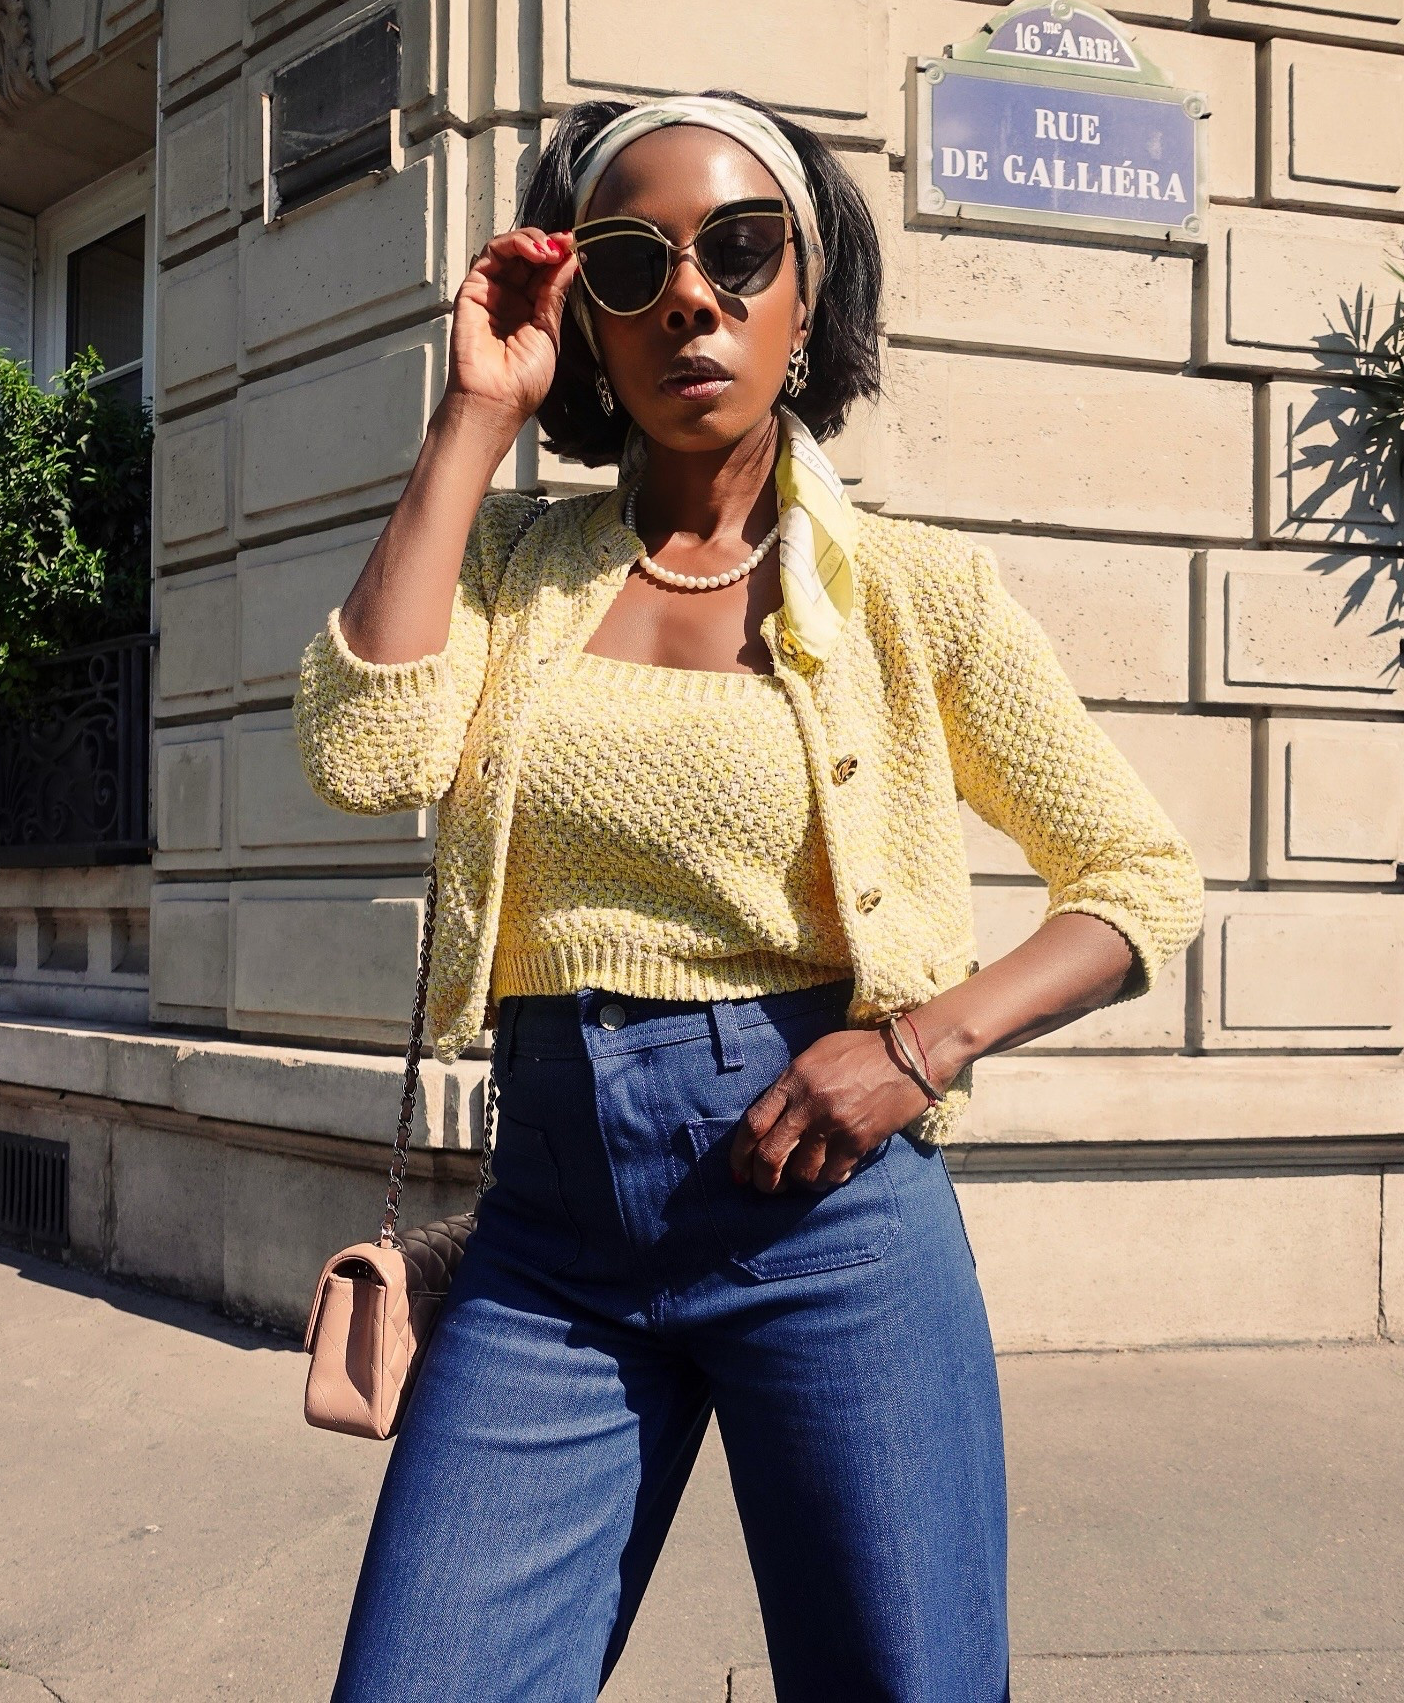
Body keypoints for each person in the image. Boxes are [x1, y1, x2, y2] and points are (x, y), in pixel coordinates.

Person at [292, 89, 1205, 1703]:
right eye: (634, 264)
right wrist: (473, 416)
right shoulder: (516, 571)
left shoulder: (921, 595)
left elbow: (1138, 883)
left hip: (831, 1215)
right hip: (553, 1232)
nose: (691, 297)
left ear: (807, 296)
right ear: (587, 317)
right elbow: (369, 751)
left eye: (739, 249)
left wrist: (920, 1049)